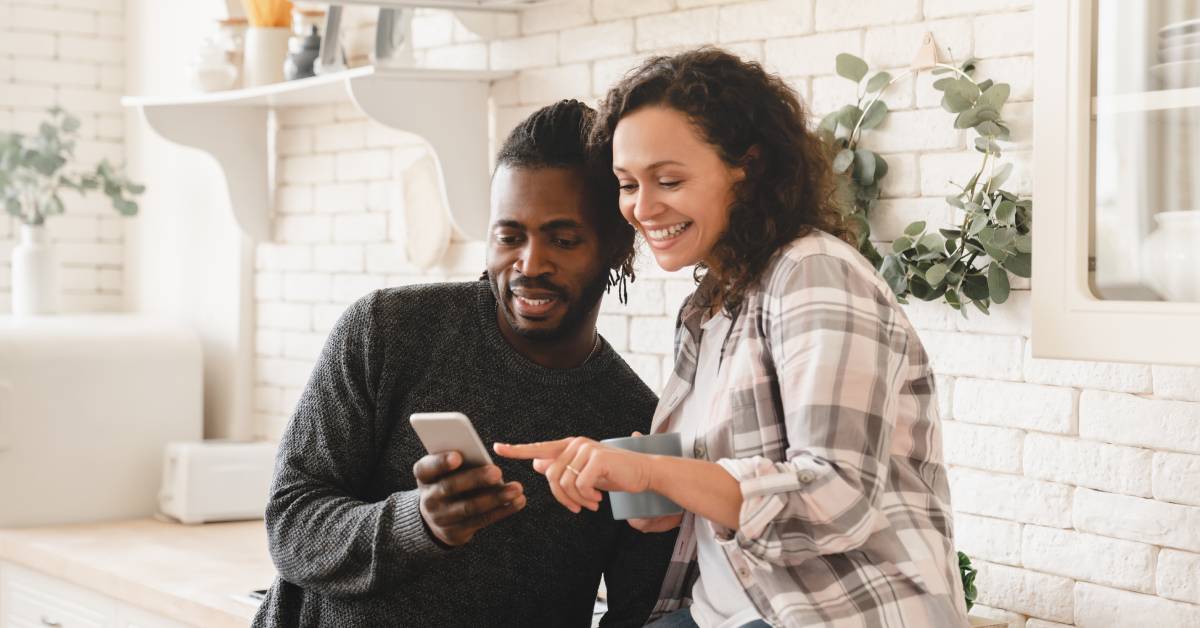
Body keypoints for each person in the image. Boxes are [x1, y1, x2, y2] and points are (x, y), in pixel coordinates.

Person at [496, 49, 969, 628]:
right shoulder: (710, 305)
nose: (642, 208)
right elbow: (709, 501)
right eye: (626, 184)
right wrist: (622, 476)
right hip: (720, 613)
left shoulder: (815, 273)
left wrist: (652, 474)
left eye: (669, 179)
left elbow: (837, 500)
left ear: (747, 167)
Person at [252, 99, 678, 628]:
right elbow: (291, 525)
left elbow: (642, 613)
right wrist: (420, 522)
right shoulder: (386, 330)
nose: (529, 264)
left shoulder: (640, 427)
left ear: (618, 247)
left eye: (563, 240)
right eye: (508, 236)